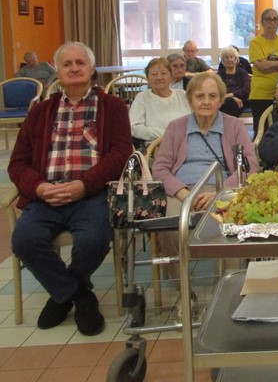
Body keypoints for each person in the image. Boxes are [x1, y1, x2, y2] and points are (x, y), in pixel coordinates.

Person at [9, 41, 133, 335]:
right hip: (45, 196)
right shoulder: (40, 112)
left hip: (91, 194)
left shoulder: (112, 107)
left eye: (81, 63)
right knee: (24, 241)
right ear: (58, 72)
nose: (75, 68)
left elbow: (120, 154)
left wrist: (84, 184)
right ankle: (77, 295)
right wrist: (38, 188)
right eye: (67, 64)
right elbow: (17, 163)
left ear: (92, 70)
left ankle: (62, 295)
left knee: (93, 241)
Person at [152, 73, 258, 248]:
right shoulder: (176, 127)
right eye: (200, 96)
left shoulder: (234, 126)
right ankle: (180, 275)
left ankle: (229, 275)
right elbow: (160, 168)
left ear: (221, 100)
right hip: (181, 192)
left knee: (233, 228)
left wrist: (220, 193)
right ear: (190, 99)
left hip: (222, 189)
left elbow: (250, 166)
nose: (206, 102)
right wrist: (182, 193)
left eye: (212, 96)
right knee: (172, 226)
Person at [130, 57, 191, 150]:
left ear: (171, 76)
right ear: (148, 79)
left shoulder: (183, 95)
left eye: (163, 73)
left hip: (187, 144)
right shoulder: (142, 97)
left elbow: (196, 121)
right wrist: (168, 134)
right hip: (156, 148)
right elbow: (133, 128)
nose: (159, 77)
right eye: (154, 74)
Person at [248, 8, 278, 126]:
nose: (272, 22)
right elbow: (262, 67)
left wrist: (269, 64)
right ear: (262, 22)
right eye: (268, 19)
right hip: (260, 95)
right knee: (262, 131)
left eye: (275, 19)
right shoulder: (255, 42)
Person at [217, 46, 252, 117]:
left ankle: (228, 126)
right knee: (229, 102)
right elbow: (216, 90)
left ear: (236, 59)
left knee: (229, 103)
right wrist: (231, 98)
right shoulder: (219, 74)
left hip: (241, 100)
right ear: (222, 61)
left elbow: (246, 89)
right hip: (223, 100)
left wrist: (231, 95)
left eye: (231, 57)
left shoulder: (243, 72)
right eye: (226, 57)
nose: (229, 59)